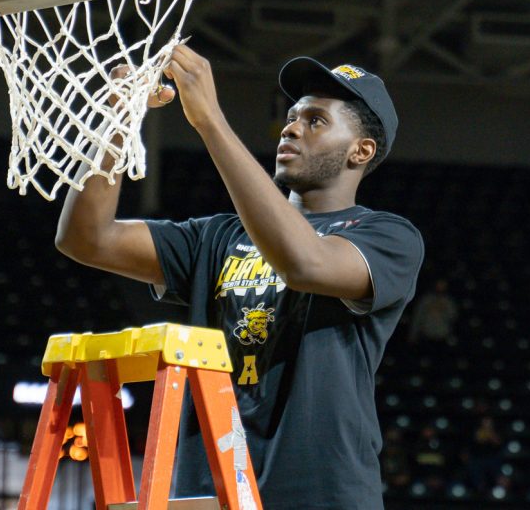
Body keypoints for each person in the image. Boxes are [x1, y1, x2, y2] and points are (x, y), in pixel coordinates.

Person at [55, 45, 424, 509]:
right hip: (211, 491)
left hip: (320, 493)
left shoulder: (387, 236)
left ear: (361, 151)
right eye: (291, 116)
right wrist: (116, 117)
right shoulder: (217, 237)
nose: (291, 127)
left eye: (315, 121)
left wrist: (210, 120)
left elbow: (304, 264)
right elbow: (86, 238)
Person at [408, 278, 458, 345]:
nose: (440, 287)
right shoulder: (426, 300)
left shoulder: (449, 302)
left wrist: (444, 309)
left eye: (443, 285)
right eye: (439, 285)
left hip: (442, 336)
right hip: (426, 335)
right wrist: (413, 334)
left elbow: (454, 318)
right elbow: (417, 317)